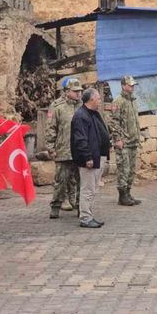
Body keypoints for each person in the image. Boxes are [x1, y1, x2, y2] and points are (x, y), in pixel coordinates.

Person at [71, 88, 111, 228]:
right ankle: (85, 218)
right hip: (90, 159)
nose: (100, 101)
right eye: (98, 98)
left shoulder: (93, 114)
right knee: (87, 189)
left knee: (93, 189)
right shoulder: (81, 116)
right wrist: (87, 157)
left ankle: (89, 215)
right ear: (91, 100)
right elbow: (81, 140)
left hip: (98, 156)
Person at [46, 77, 83, 219]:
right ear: (67, 91)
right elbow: (51, 128)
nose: (78, 94)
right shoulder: (57, 106)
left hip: (80, 150)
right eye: (75, 91)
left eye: (79, 91)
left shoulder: (82, 106)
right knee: (61, 180)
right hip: (63, 149)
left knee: (81, 180)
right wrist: (51, 147)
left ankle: (81, 207)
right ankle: (55, 206)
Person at [108, 76, 141, 206]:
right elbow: (113, 122)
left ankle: (128, 193)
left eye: (133, 85)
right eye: (130, 85)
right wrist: (118, 139)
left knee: (131, 170)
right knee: (124, 169)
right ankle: (122, 196)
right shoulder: (118, 101)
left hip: (133, 141)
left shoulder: (133, 101)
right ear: (123, 86)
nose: (132, 87)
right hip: (124, 142)